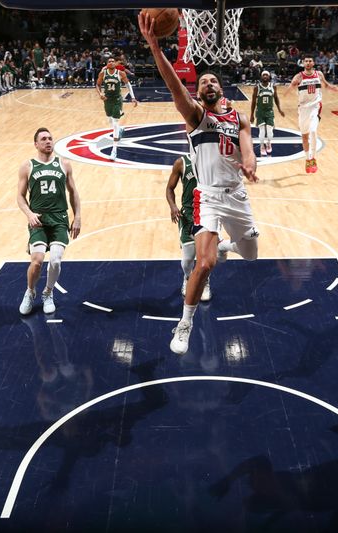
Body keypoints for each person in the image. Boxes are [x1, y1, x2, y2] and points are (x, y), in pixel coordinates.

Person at [139, 12, 259, 355]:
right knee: (203, 264)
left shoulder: (240, 117)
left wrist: (249, 162)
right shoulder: (196, 115)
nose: (208, 84)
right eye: (202, 81)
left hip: (237, 196)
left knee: (250, 256)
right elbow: (173, 84)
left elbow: (247, 150)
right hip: (207, 197)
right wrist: (155, 47)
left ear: (221, 89)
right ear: (197, 91)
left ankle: (227, 246)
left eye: (213, 81)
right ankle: (185, 324)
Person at [17, 127, 82, 315]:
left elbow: (73, 193)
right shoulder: (27, 166)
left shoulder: (64, 164)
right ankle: (30, 292)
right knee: (36, 261)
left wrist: (77, 217)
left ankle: (48, 292)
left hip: (59, 218)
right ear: (36, 144)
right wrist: (29, 214)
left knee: (55, 261)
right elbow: (20, 197)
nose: (48, 141)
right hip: (38, 219)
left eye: (50, 138)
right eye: (43, 139)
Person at [166, 154, 212, 302]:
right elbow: (169, 188)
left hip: (207, 214)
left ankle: (205, 282)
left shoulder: (212, 160)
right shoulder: (181, 162)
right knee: (187, 260)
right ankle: (187, 278)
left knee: (204, 257)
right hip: (187, 215)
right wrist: (173, 207)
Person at [290, 55, 338, 173]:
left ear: (313, 62)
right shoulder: (299, 76)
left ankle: (313, 158)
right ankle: (307, 160)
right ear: (303, 63)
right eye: (306, 61)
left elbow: (325, 84)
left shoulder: (319, 74)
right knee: (305, 136)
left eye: (310, 61)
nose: (308, 63)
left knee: (313, 130)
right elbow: (291, 87)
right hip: (303, 109)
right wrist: (292, 85)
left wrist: (331, 87)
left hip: (315, 106)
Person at [96, 56, 137, 160]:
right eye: (109, 61)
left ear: (115, 63)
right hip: (107, 99)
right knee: (110, 120)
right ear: (106, 64)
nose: (111, 62)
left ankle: (114, 151)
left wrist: (133, 97)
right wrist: (100, 93)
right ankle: (120, 129)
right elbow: (97, 84)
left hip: (117, 100)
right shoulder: (103, 73)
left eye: (112, 61)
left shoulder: (120, 73)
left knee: (115, 123)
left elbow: (128, 85)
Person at [249, 70, 285, 157]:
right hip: (260, 112)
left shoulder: (273, 86)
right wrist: (251, 115)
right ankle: (262, 146)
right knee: (262, 131)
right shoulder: (257, 88)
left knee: (269, 132)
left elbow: (276, 99)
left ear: (269, 77)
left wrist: (280, 110)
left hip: (269, 112)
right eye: (263, 75)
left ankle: (269, 143)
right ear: (261, 77)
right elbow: (253, 102)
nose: (265, 76)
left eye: (266, 75)